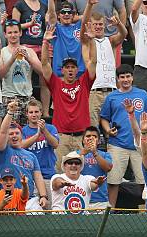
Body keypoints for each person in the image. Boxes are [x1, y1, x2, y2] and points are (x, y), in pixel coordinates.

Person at [42, 22, 97, 169]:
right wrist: (46, 42)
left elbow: (93, 62)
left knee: (83, 175)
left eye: (73, 67)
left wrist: (92, 41)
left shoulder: (84, 82)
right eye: (67, 67)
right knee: (60, 173)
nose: (70, 70)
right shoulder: (56, 84)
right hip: (61, 137)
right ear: (62, 70)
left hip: (82, 137)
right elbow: (45, 64)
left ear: (77, 69)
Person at [100, 65, 147, 207]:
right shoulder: (112, 97)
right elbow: (104, 118)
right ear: (117, 79)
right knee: (113, 181)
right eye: (122, 77)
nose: (125, 79)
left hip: (140, 145)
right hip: (117, 144)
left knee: (145, 182)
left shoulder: (142, 94)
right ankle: (109, 213)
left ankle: (146, 214)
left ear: (132, 77)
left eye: (128, 76)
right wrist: (107, 130)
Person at [0, 101, 48, 210]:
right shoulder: (3, 150)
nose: (14, 135)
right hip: (9, 198)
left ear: (21, 135)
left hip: (30, 199)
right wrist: (10, 112)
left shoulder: (31, 156)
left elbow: (37, 176)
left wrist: (43, 196)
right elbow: (2, 132)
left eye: (16, 133)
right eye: (11, 134)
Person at [0, 18, 43, 126]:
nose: (13, 35)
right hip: (9, 97)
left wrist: (28, 58)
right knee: (12, 133)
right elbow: (0, 75)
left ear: (20, 33)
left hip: (27, 97)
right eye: (10, 32)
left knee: (29, 132)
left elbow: (42, 71)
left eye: (15, 32)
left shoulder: (29, 51)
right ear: (5, 34)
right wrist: (12, 59)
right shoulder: (2, 52)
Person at [88, 6, 127, 126]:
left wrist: (119, 23)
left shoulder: (110, 41)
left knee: (113, 126)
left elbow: (123, 34)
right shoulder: (87, 42)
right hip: (94, 91)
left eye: (100, 24)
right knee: (93, 127)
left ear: (104, 25)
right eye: (95, 24)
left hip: (112, 90)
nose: (98, 27)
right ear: (90, 25)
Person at [12, 0, 49, 112]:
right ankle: (27, 110)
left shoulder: (44, 5)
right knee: (24, 77)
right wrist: (29, 24)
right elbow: (14, 27)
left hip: (42, 44)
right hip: (25, 45)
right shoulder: (19, 5)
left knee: (45, 78)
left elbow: (47, 25)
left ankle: (46, 112)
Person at [21, 99, 59, 195]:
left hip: (48, 174)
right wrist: (36, 136)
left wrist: (44, 130)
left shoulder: (50, 128)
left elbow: (55, 144)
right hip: (30, 175)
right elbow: (20, 146)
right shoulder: (23, 131)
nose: (34, 115)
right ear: (27, 114)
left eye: (36, 112)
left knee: (48, 207)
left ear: (41, 112)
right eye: (31, 112)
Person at [47, 0, 91, 78]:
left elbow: (86, 20)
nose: (66, 14)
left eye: (69, 12)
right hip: (60, 75)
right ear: (58, 15)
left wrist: (90, 4)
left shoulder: (79, 27)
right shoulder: (55, 29)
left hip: (80, 74)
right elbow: (51, 14)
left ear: (73, 15)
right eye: (63, 12)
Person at [78, 126, 113, 209]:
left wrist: (95, 153)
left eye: (94, 136)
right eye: (88, 136)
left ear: (99, 141)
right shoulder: (76, 154)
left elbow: (108, 168)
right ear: (83, 140)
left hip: (100, 200)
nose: (91, 138)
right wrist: (84, 152)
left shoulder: (105, 154)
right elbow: (70, 168)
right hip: (81, 198)